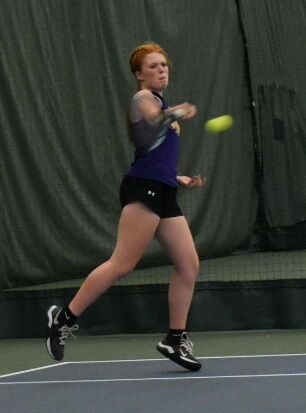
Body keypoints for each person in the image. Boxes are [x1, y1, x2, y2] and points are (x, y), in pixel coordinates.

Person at [46, 42, 206, 372]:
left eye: (164, 65)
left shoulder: (163, 103)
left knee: (189, 265)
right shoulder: (143, 98)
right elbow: (155, 119)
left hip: (163, 189)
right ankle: (63, 319)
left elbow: (155, 154)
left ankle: (175, 339)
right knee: (122, 264)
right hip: (143, 189)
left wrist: (179, 177)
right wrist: (177, 112)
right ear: (139, 75)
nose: (161, 70)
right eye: (153, 66)